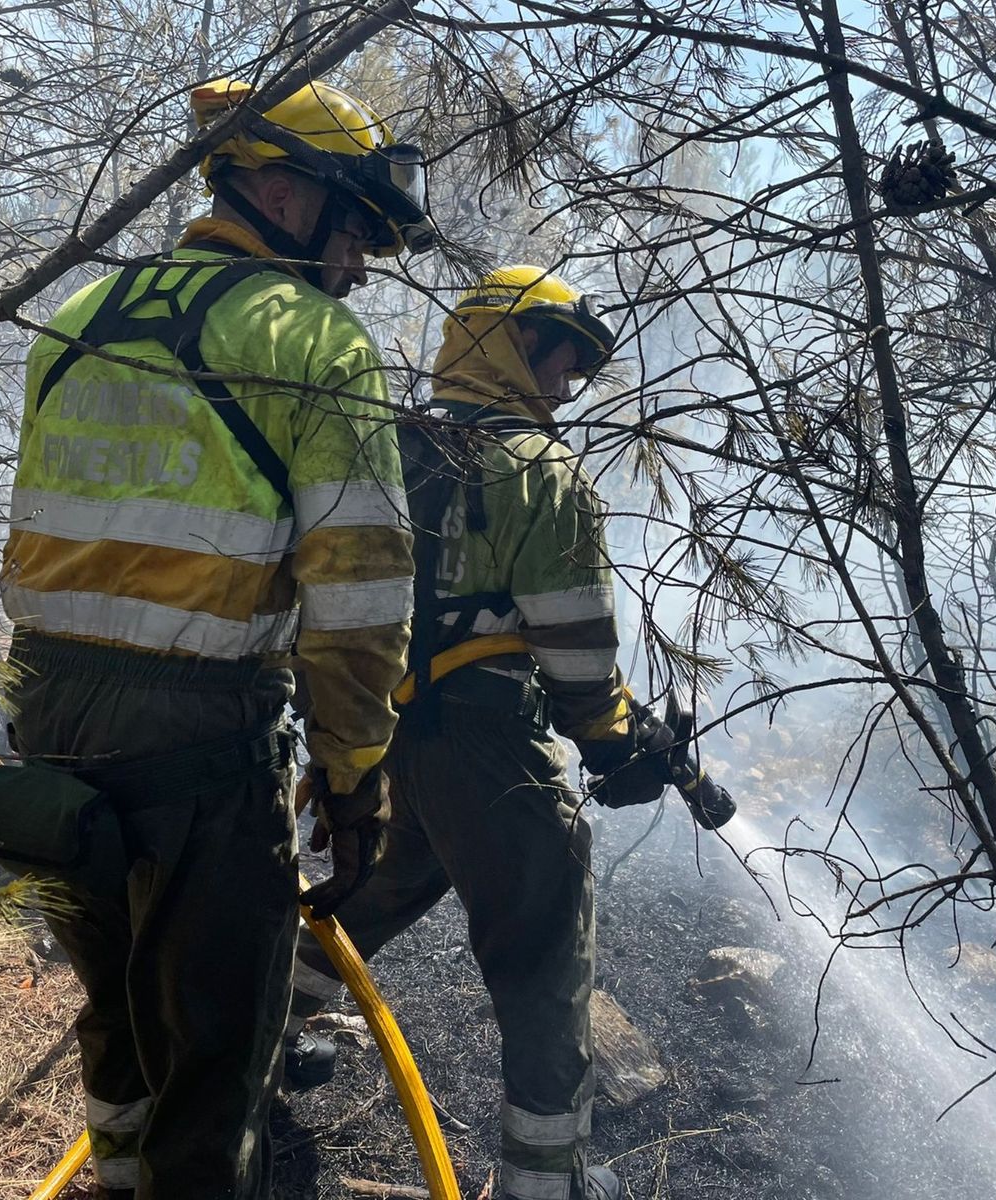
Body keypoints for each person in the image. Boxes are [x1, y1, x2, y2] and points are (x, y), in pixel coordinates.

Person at [0, 77, 430, 1200]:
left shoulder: (81, 319)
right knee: (217, 1051)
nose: (362, 263)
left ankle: (118, 1181)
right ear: (281, 190)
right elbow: (362, 594)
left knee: (118, 1013)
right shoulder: (314, 341)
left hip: (47, 725)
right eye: (354, 226)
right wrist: (353, 775)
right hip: (199, 741)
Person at [282, 266, 673, 1200]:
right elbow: (575, 647)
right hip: (492, 754)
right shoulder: (538, 474)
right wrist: (616, 742)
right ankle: (547, 1183)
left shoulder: (384, 447)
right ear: (507, 342)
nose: (565, 386)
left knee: (355, 900)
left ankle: (256, 1060)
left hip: (377, 741)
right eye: (558, 359)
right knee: (543, 966)